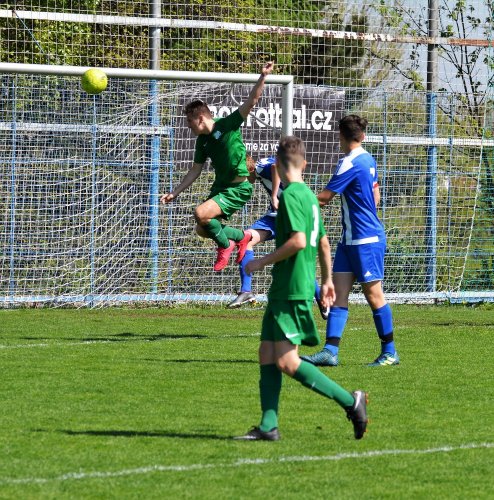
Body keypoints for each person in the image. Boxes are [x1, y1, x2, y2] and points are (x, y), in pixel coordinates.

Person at [234, 136, 368, 441]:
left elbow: (297, 241)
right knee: (266, 353)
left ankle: (351, 401)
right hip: (285, 286)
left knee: (286, 361)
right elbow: (322, 241)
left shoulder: (293, 195)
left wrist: (260, 262)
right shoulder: (309, 195)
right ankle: (268, 426)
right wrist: (328, 280)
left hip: (291, 288)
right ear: (304, 163)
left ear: (279, 166)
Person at [301, 114, 399, 368]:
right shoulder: (368, 158)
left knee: (373, 294)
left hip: (365, 240)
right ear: (362, 136)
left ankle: (389, 352)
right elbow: (375, 195)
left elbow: (323, 198)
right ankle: (330, 352)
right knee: (338, 294)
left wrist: (295, 200)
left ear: (341, 137)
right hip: (350, 240)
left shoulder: (349, 162)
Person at [160, 62, 274, 271]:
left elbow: (252, 101)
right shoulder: (202, 141)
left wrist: (263, 76)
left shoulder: (226, 125)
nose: (188, 127)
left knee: (200, 213)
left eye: (189, 122)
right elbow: (195, 170)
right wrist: (174, 192)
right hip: (221, 187)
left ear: (200, 118)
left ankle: (226, 244)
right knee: (202, 229)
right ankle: (242, 237)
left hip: (239, 188)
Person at [228, 155, 329, 321]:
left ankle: (321, 298)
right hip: (274, 217)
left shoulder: (260, 167)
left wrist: (274, 195)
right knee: (245, 240)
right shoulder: (260, 168)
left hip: (291, 215)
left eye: (241, 176)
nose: (242, 180)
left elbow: (276, 166)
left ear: (248, 170)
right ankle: (246, 290)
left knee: (298, 264)